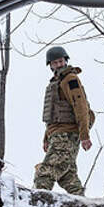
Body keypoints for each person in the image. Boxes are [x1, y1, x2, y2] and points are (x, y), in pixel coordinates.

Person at [33, 46, 95, 195]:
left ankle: (37, 203)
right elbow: (52, 116)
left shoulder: (70, 79)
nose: (59, 65)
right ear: (50, 65)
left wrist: (84, 135)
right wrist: (46, 138)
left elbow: (80, 106)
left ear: (66, 61)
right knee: (67, 177)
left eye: (61, 61)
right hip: (58, 134)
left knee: (45, 173)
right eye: (55, 63)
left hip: (66, 135)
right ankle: (82, 204)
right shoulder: (55, 83)